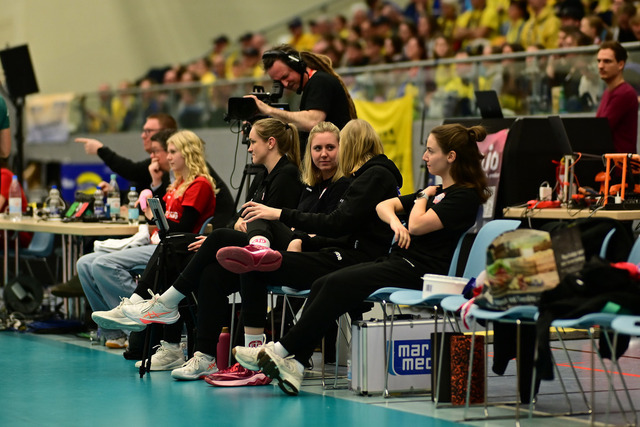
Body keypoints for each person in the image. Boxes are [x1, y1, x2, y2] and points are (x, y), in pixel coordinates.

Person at [233, 123, 491, 396]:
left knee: (336, 284)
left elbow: (416, 225)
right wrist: (397, 221)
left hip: (422, 272)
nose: (425, 156)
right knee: (323, 282)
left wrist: (421, 198)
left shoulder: (463, 196)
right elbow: (384, 206)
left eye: (430, 151)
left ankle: (278, 350)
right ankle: (295, 365)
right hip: (399, 262)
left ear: (450, 157)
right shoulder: (436, 193)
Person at [90, 118, 303, 376]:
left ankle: (159, 306)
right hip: (248, 246)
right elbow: (242, 217)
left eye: (253, 142)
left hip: (273, 253)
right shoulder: (261, 176)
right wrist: (237, 227)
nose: (248, 148)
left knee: (187, 242)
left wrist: (235, 229)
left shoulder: (286, 174)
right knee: (208, 273)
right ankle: (204, 356)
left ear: (270, 143)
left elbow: (270, 223)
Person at [79, 130, 217, 353]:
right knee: (85, 263)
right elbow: (162, 222)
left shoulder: (199, 185)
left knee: (103, 263)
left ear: (188, 153)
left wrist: (153, 215)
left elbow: (180, 230)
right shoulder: (176, 185)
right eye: (168, 151)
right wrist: (155, 186)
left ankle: (134, 317)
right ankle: (116, 332)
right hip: (160, 244)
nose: (167, 157)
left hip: (176, 250)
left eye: (172, 152)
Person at [246, 43, 357, 153]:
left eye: (285, 76)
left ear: (298, 66)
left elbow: (313, 122)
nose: (285, 84)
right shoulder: (313, 84)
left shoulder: (320, 82)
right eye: (279, 82)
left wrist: (268, 110)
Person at [75, 113, 177, 191]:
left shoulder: (175, 170)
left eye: (148, 131)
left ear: (165, 132)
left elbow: (133, 171)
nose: (143, 135)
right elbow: (138, 192)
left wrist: (101, 150)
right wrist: (114, 192)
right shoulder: (154, 166)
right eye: (143, 131)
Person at [596, 41, 639, 154]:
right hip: (610, 160)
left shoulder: (624, 93)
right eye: (599, 61)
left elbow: (600, 129)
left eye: (607, 61)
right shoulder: (608, 92)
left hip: (620, 162)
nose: (601, 66)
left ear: (620, 64)